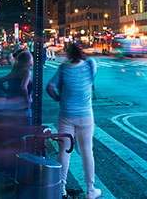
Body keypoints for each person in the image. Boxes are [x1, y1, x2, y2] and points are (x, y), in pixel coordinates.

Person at [47, 43, 100, 199]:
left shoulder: (63, 69)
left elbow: (49, 87)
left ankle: (61, 188)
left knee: (64, 152)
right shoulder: (90, 65)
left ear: (68, 54)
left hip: (66, 115)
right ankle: (91, 190)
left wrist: (58, 98)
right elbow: (89, 62)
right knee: (86, 151)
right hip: (85, 115)